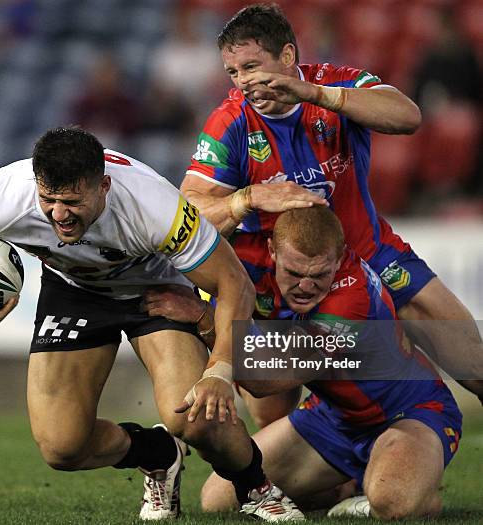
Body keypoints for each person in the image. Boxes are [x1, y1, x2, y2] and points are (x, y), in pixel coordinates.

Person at [0, 126, 305, 522]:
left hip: (157, 288)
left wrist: (219, 370)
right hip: (74, 289)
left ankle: (257, 489)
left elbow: (234, 284)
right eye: (48, 200)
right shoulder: (1, 195)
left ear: (105, 186)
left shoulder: (155, 207)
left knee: (193, 416)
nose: (59, 215)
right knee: (61, 447)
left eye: (72, 202)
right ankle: (157, 454)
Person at [179, 3, 483, 400]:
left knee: (473, 363)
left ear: (287, 56)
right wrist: (248, 197)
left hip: (368, 252)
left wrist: (316, 95)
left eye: (252, 67)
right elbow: (188, 214)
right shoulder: (230, 121)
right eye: (233, 73)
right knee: (271, 403)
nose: (244, 84)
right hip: (281, 279)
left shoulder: (335, 84)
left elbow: (408, 117)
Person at [148, 206, 463, 519]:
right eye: (295, 273)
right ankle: (348, 487)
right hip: (333, 418)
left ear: (339, 259)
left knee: (394, 503)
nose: (306, 287)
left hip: (411, 412)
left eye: (319, 275)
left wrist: (201, 316)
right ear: (272, 250)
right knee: (219, 497)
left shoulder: (352, 300)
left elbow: (265, 380)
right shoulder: (249, 258)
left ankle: (401, 489)